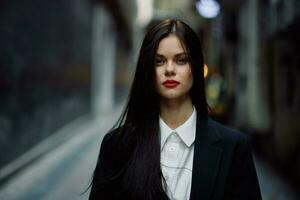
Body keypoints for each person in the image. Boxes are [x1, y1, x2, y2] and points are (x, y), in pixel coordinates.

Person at [88, 19, 262, 200]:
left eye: (181, 60)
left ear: (195, 67)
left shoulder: (233, 148)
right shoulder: (117, 146)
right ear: (147, 69)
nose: (169, 69)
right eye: (159, 61)